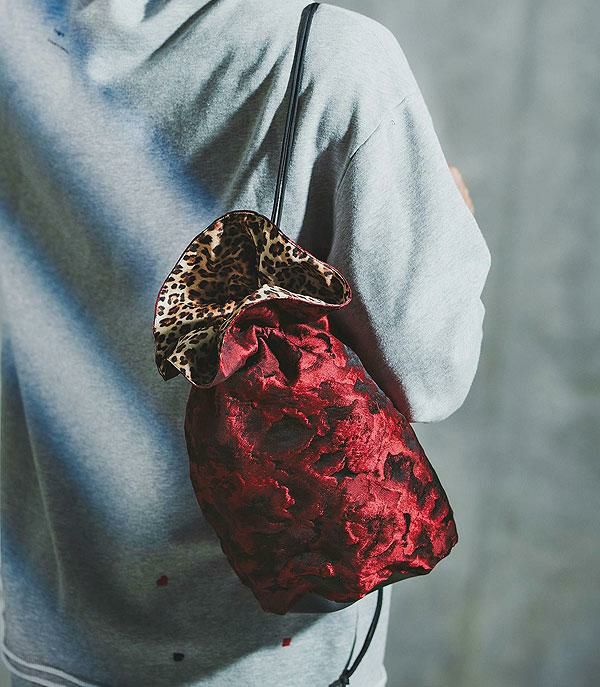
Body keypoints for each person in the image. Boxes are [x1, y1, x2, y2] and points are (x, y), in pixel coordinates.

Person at [0, 1, 491, 686]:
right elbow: (431, 373)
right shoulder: (331, 58)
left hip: (44, 638)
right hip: (269, 662)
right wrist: (445, 226)